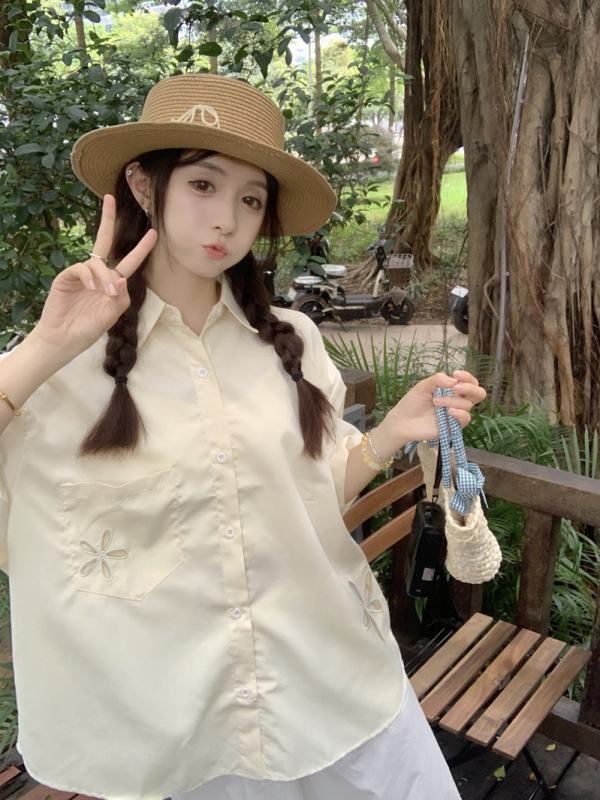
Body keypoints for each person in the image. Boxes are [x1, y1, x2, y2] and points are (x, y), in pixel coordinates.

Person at [0, 74, 485, 800]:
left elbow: (314, 494)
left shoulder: (293, 339)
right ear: (143, 184)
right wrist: (45, 347)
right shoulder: (61, 363)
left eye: (251, 199)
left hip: (336, 684)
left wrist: (389, 434)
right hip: (182, 731)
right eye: (203, 184)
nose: (226, 219)